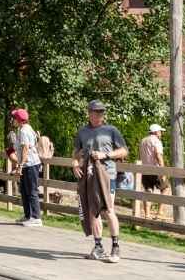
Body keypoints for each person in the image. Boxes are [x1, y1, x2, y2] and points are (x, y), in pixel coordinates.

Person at [74, 99, 128, 264]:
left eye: (101, 112)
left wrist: (106, 155)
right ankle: (98, 246)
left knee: (108, 210)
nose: (99, 115)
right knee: (92, 211)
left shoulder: (111, 130)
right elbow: (77, 152)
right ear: (89, 113)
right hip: (89, 176)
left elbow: (124, 151)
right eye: (96, 112)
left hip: (107, 175)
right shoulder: (82, 132)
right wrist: (75, 163)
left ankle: (115, 245)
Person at [7, 108, 43, 227]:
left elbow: (25, 148)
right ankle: (28, 216)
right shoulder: (23, 129)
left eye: (14, 118)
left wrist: (20, 165)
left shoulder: (24, 131)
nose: (12, 120)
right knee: (24, 190)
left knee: (31, 190)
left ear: (19, 120)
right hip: (28, 164)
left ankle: (36, 217)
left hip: (30, 164)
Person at [139, 123, 168, 219]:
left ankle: (147, 214)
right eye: (160, 132)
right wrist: (163, 170)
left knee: (148, 191)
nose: (161, 134)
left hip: (145, 169)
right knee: (165, 189)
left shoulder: (143, 140)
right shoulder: (156, 141)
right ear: (156, 132)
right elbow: (158, 155)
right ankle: (159, 213)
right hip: (155, 169)